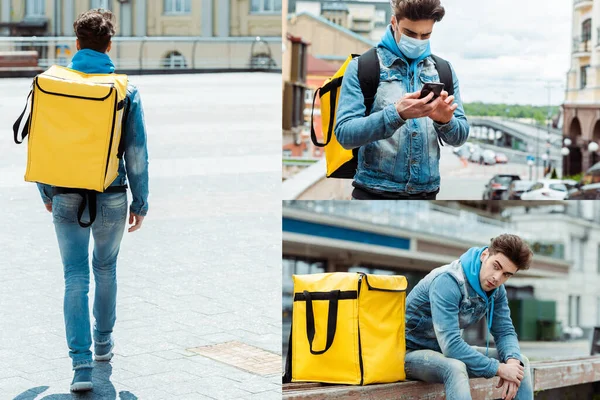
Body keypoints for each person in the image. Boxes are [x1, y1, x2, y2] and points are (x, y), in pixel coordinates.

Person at [36, 9, 149, 392]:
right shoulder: (124, 89)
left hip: (65, 193)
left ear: (77, 43)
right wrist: (141, 202)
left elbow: (40, 143)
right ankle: (103, 344)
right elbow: (137, 154)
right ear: (110, 45)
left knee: (74, 277)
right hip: (112, 194)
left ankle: (80, 366)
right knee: (106, 269)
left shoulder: (52, 84)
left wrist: (46, 192)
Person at [334, 0, 469, 200]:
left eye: (426, 35)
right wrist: (396, 114)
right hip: (372, 193)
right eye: (410, 33)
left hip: (426, 195)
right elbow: (345, 135)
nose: (418, 40)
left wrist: (445, 121)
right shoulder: (363, 67)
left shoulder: (444, 70)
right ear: (394, 22)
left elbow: (460, 137)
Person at [404, 234, 533, 400]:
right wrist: (499, 369)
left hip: (443, 353)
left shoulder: (496, 291)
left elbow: (505, 332)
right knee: (455, 367)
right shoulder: (448, 281)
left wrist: (512, 363)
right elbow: (451, 345)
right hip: (410, 354)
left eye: (506, 274)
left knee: (520, 362)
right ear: (484, 255)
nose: (497, 277)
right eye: (496, 266)